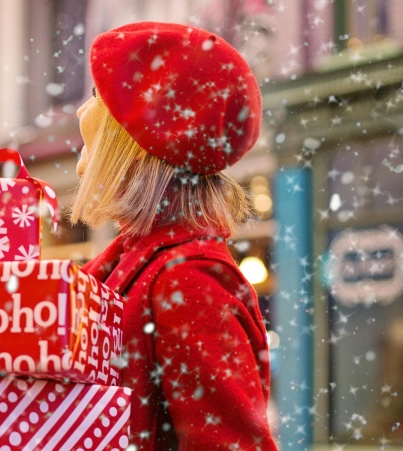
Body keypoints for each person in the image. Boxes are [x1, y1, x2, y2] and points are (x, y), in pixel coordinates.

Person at [72, 22, 278, 450]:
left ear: (128, 145)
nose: (80, 112)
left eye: (97, 98)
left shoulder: (188, 282)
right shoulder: (133, 265)